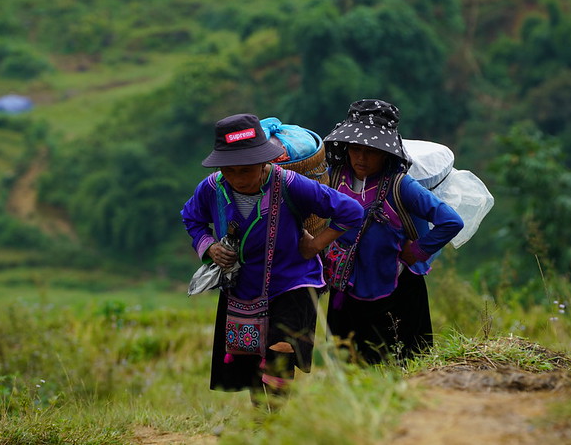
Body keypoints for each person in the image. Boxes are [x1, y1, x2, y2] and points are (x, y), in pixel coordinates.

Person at [181, 113, 363, 407]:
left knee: (280, 346)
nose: (239, 178)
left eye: (247, 169)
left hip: (292, 280)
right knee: (251, 353)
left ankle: (276, 414)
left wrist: (314, 245)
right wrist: (209, 247)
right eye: (230, 170)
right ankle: (260, 417)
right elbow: (191, 218)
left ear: (264, 163)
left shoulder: (290, 185)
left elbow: (351, 211)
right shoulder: (212, 189)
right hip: (242, 286)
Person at [323, 99, 464, 364]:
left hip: (397, 292)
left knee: (404, 363)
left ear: (387, 152)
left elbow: (451, 221)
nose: (361, 158)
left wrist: (418, 251)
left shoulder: (401, 185)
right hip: (346, 289)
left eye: (371, 150)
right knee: (351, 366)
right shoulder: (334, 177)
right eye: (355, 148)